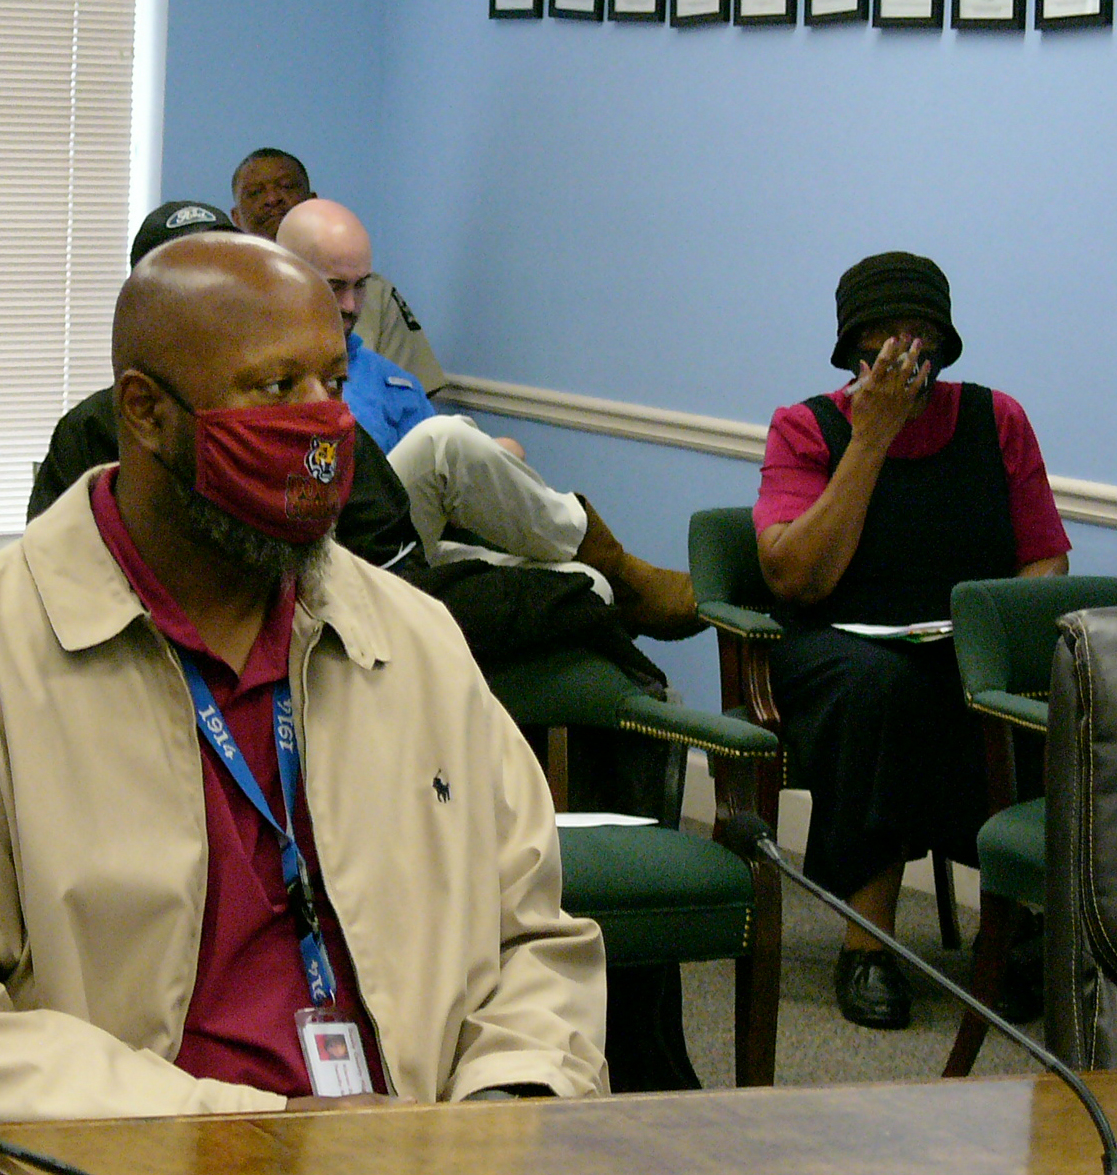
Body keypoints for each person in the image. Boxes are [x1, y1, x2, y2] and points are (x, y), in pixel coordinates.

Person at [0, 231, 609, 1121]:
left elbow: (534, 940)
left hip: (429, 1144)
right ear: (145, 411)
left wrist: (507, 1102)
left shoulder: (414, 641)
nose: (323, 428)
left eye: (332, 383)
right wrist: (245, 1132)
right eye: (276, 387)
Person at [755, 251, 1070, 1030]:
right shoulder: (806, 427)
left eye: (918, 338)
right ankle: (867, 945)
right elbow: (795, 577)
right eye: (883, 343)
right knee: (882, 686)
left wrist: (996, 638)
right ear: (854, 354)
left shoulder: (997, 419)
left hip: (957, 643)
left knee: (1024, 687)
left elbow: (1045, 560)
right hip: (835, 642)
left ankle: (1016, 926)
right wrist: (870, 439)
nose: (903, 360)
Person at [275, 198, 700, 641]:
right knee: (444, 440)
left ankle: (615, 578)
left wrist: (491, 462)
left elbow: (434, 502)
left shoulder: (391, 381)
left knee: (586, 583)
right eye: (335, 286)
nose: (351, 305)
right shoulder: (265, 371)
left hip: (399, 547)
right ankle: (623, 569)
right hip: (323, 551)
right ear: (286, 275)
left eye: (361, 286)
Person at [229, 148, 447, 395]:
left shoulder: (371, 291)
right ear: (236, 217)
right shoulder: (225, 298)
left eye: (286, 186)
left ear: (312, 201)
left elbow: (416, 393)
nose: (272, 199)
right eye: (255, 192)